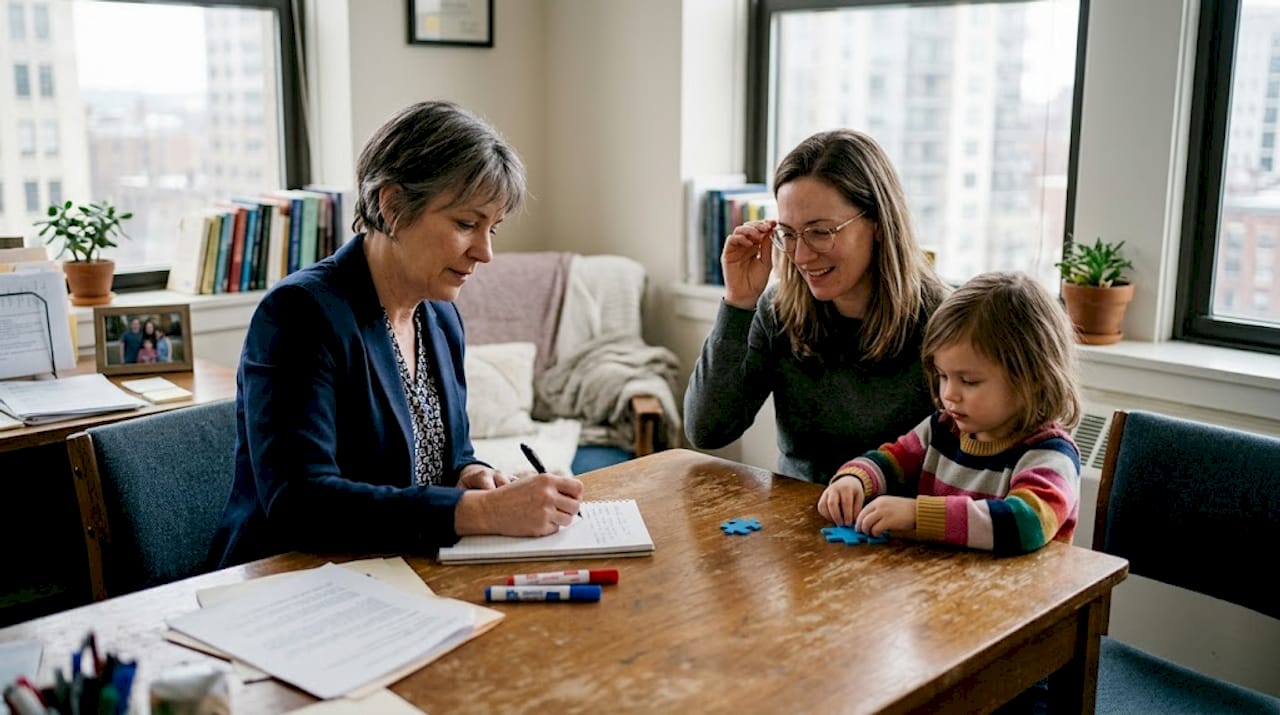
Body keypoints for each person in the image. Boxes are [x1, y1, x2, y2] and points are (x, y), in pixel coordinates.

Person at [208, 100, 584, 567]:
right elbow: (299, 503)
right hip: (291, 580)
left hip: (398, 568)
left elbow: (452, 453)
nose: (485, 253)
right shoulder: (300, 314)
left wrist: (472, 475)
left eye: (493, 228)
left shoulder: (440, 315)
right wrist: (478, 512)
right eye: (467, 224)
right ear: (392, 205)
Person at [684, 129, 950, 483]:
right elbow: (707, 431)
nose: (801, 255)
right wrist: (738, 304)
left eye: (821, 232)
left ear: (878, 224)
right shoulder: (778, 310)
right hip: (798, 518)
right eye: (789, 234)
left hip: (901, 525)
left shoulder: (944, 320)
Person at [817, 271, 1082, 555]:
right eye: (943, 376)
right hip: (945, 587)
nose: (948, 394)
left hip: (1019, 596)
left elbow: (1026, 523)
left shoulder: (1051, 454)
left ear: (1032, 379)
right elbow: (890, 460)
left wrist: (918, 515)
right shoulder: (942, 428)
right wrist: (854, 480)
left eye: (968, 381)